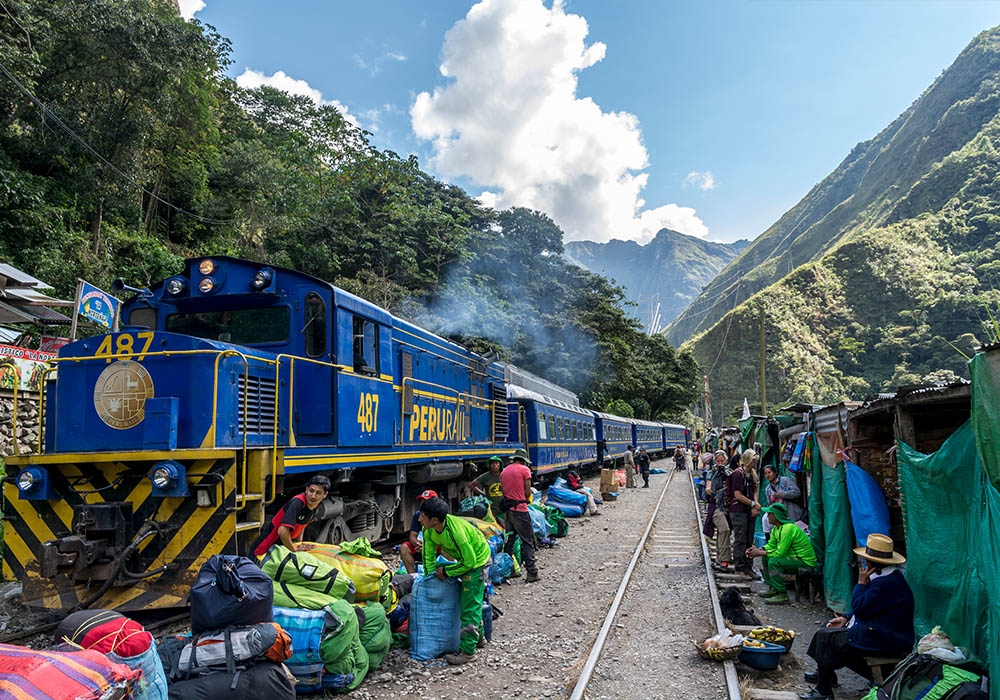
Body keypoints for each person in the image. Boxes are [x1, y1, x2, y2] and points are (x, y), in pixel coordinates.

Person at [800, 534, 915, 700]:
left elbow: (861, 607)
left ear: (873, 564)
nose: (864, 563)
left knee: (825, 636)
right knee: (830, 625)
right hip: (879, 629)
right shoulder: (886, 579)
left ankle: (823, 691)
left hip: (886, 637)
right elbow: (868, 607)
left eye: (867, 561)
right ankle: (826, 674)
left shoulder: (885, 584)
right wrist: (846, 618)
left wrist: (861, 584)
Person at [418, 496, 492, 665]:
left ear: (434, 520)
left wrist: (446, 571)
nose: (419, 519)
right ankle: (478, 638)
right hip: (464, 560)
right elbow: (428, 556)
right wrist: (430, 578)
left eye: (422, 515)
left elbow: (470, 562)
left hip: (477, 562)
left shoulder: (456, 532)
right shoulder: (429, 530)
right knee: (468, 603)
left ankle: (468, 653)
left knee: (469, 606)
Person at [746, 503, 816, 605]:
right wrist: (758, 549)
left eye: (769, 514)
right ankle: (774, 588)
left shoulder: (787, 529)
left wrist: (759, 552)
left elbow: (780, 553)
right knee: (766, 558)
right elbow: (770, 546)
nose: (767, 516)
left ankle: (782, 594)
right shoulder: (776, 528)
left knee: (774, 561)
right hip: (793, 559)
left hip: (805, 562)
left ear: (775, 516)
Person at [251, 475, 331, 558]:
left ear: (325, 495)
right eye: (311, 491)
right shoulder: (297, 503)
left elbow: (302, 524)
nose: (313, 496)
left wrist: (299, 544)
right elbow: (282, 531)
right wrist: (294, 549)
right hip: (264, 550)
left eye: (318, 493)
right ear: (306, 489)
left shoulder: (316, 506)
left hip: (280, 549)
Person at [500, 448, 540, 583]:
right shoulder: (524, 470)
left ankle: (509, 570)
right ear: (523, 460)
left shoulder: (504, 471)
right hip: (521, 510)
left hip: (508, 511)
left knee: (509, 542)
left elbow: (503, 489)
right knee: (527, 541)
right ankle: (532, 573)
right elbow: (527, 491)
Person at [728, 449, 761, 578]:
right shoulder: (738, 474)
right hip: (738, 510)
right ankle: (740, 567)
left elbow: (755, 490)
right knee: (741, 539)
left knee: (749, 539)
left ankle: (748, 566)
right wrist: (752, 504)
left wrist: (755, 505)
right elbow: (737, 495)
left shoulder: (752, 474)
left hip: (748, 510)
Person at [704, 450, 733, 572]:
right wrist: (712, 490)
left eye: (722, 461)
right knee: (724, 529)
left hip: (729, 506)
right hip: (716, 506)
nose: (720, 463)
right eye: (718, 461)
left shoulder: (730, 472)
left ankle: (720, 558)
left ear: (726, 460)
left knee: (724, 532)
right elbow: (708, 488)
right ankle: (724, 560)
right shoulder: (711, 473)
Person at [400, 489, 439, 573]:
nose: (422, 503)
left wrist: (428, 547)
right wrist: (419, 544)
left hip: (436, 545)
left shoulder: (440, 514)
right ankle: (413, 576)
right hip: (421, 545)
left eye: (425, 501)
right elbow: (413, 535)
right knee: (404, 547)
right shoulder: (418, 515)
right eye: (422, 501)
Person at [762, 464, 805, 535]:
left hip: (792, 513)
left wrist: (782, 494)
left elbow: (797, 492)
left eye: (769, 472)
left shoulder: (785, 481)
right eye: (765, 473)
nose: (767, 475)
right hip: (780, 517)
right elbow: (769, 505)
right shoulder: (768, 489)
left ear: (775, 473)